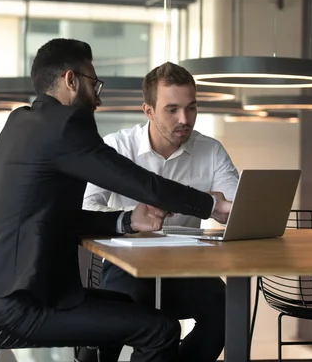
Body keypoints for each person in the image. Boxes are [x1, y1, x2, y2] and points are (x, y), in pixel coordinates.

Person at [0, 39, 232, 362]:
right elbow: (144, 184)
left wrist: (127, 220)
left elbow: (58, 218)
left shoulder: (19, 123)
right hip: (19, 304)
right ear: (71, 80)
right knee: (161, 330)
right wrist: (210, 205)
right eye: (94, 83)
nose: (99, 97)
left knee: (131, 309)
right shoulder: (66, 126)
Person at [82, 62, 239, 362]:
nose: (185, 119)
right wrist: (132, 217)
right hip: (126, 265)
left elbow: (235, 208)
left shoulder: (211, 151)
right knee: (120, 323)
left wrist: (215, 206)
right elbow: (86, 206)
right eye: (172, 109)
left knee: (229, 306)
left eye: (191, 108)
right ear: (148, 111)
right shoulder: (116, 146)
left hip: (186, 267)